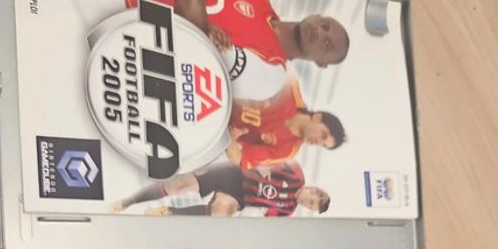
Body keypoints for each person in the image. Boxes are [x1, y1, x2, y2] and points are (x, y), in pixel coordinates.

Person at [123, 0, 349, 68]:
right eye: (325, 25)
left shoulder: (270, 69)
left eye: (327, 44)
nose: (320, 33)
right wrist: (194, 17)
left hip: (125, 30)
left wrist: (194, 18)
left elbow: (192, 53)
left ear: (321, 63)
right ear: (316, 15)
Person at [110, 162, 330, 218]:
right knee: (179, 186)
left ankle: (168, 212)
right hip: (236, 174)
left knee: (222, 213)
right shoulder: (295, 172)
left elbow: (266, 221)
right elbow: (273, 156)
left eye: (309, 207)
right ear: (313, 189)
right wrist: (264, 165)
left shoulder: (287, 209)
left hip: (240, 197)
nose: (306, 204)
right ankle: (128, 201)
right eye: (311, 200)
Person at [228, 81, 345, 168]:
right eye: (323, 135)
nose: (317, 142)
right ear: (317, 117)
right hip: (226, 87)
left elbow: (239, 159)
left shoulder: (287, 151)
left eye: (322, 145)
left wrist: (230, 138)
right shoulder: (290, 88)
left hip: (221, 126)